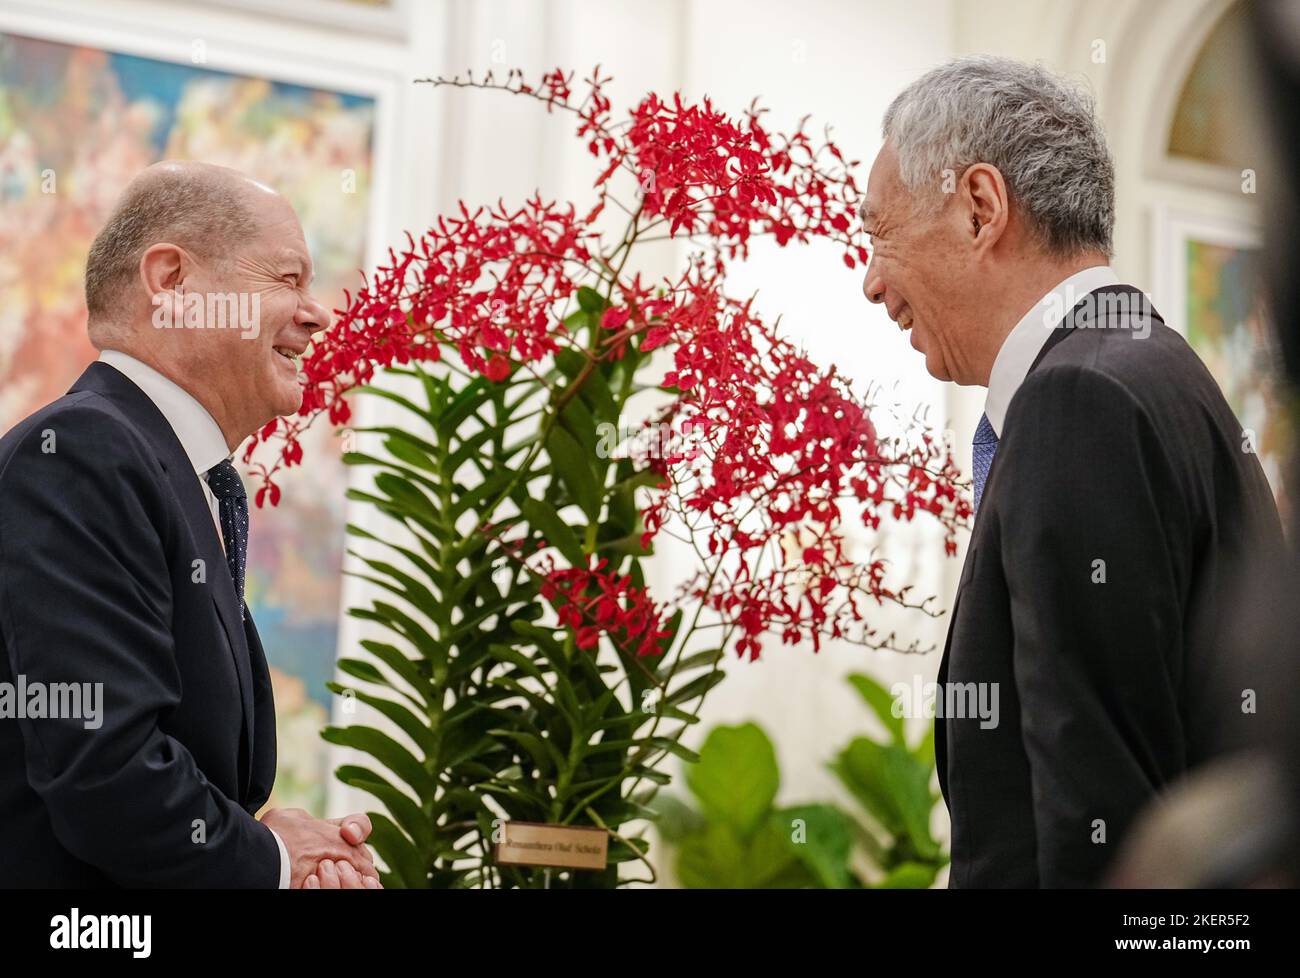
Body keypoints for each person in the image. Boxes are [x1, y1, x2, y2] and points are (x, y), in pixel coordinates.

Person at [859, 56, 1283, 887]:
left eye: (878, 233)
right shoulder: (1149, 366)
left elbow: (1098, 816)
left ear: (981, 208)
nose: (872, 282)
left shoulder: (1078, 398)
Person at [0, 160, 379, 888]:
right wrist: (272, 862)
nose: (317, 312)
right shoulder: (82, 456)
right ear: (171, 281)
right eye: (288, 278)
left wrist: (265, 840)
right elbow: (106, 770)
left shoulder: (164, 468)